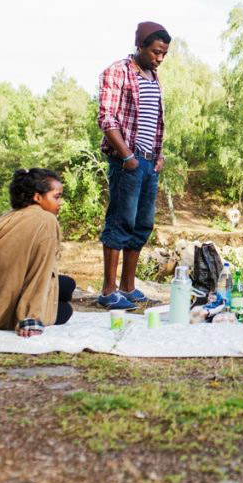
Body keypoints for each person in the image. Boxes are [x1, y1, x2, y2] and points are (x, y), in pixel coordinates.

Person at [96, 21, 170, 309]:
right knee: (120, 221)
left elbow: (154, 121)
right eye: (155, 52)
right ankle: (108, 291)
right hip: (127, 160)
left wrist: (159, 156)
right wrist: (127, 157)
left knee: (142, 224)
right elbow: (107, 118)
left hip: (150, 163)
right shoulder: (118, 71)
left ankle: (128, 288)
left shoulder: (154, 77)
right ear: (140, 45)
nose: (159, 58)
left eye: (164, 54)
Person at [0, 169, 74, 338]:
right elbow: (39, 271)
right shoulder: (47, 221)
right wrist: (31, 318)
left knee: (67, 285)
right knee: (66, 310)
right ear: (37, 197)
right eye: (57, 197)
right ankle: (17, 315)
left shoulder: (10, 215)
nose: (60, 202)